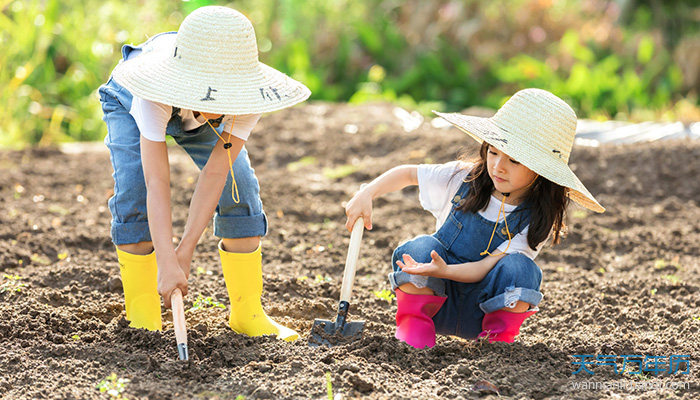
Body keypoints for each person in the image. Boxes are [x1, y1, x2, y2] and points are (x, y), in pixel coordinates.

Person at [98, 6, 310, 341]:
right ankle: (143, 313)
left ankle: (247, 312)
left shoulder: (245, 99)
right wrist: (166, 262)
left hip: (192, 114)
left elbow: (216, 174)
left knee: (239, 182)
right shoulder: (152, 90)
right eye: (219, 93)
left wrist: (185, 250)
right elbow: (158, 183)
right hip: (129, 101)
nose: (228, 100)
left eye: (232, 94)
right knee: (133, 190)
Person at [345, 89, 605, 348]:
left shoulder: (535, 218)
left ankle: (496, 345)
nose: (498, 167)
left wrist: (446, 269)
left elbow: (483, 269)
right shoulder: (461, 179)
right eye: (493, 152)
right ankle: (414, 335)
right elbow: (408, 174)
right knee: (419, 249)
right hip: (437, 297)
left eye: (514, 160)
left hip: (482, 309)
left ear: (541, 172)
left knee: (521, 270)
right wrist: (368, 192)